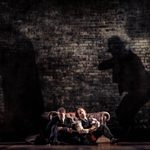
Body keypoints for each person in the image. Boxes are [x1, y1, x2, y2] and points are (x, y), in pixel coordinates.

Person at [98, 36, 150, 136]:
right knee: (125, 113)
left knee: (122, 112)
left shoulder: (128, 57)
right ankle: (129, 134)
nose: (112, 52)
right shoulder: (120, 58)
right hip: (139, 91)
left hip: (142, 90)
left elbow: (140, 75)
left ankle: (127, 134)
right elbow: (102, 66)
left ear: (117, 48)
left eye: (113, 50)